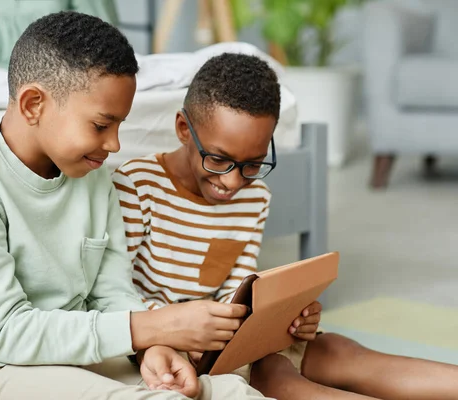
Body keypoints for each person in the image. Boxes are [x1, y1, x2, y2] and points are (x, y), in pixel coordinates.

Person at [0, 12, 273, 400]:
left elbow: (112, 292)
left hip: (75, 347)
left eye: (120, 126)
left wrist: (152, 349)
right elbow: (6, 333)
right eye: (100, 125)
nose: (114, 145)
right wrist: (153, 328)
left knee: (231, 391)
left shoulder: (94, 176)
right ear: (33, 104)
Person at [112, 52, 458, 400]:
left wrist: (286, 315)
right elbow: (112, 289)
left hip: (232, 340)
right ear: (184, 129)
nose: (233, 182)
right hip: (169, 346)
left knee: (339, 351)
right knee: (280, 380)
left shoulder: (255, 197)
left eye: (253, 164)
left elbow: (242, 289)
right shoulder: (137, 185)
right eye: (218, 160)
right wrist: (181, 328)